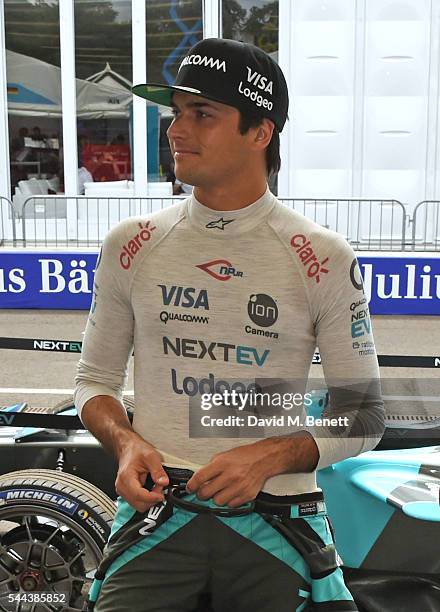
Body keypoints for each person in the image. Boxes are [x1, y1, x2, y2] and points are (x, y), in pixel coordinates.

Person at [75, 38, 385, 612]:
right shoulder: (131, 244)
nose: (176, 129)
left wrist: (265, 457)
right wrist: (126, 443)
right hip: (157, 515)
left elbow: (364, 413)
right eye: (175, 113)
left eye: (203, 114)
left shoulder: (321, 255)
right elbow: (93, 382)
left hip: (276, 518)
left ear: (261, 132)